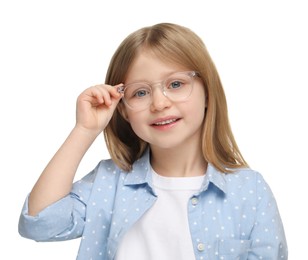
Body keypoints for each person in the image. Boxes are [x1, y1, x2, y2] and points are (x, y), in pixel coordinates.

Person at [18, 23, 288, 259]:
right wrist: (85, 130)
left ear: (208, 92)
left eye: (176, 84)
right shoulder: (109, 182)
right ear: (122, 109)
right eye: (140, 92)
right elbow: (39, 222)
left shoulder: (249, 191)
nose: (159, 103)